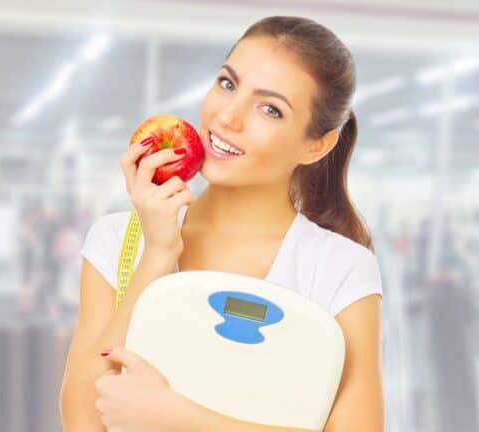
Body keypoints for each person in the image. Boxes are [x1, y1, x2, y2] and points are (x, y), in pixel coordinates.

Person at [59, 15, 384, 431]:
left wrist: (176, 417)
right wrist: (157, 255)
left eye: (270, 109)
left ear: (316, 144)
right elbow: (83, 421)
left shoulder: (339, 268)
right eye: (228, 84)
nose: (228, 117)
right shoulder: (118, 241)